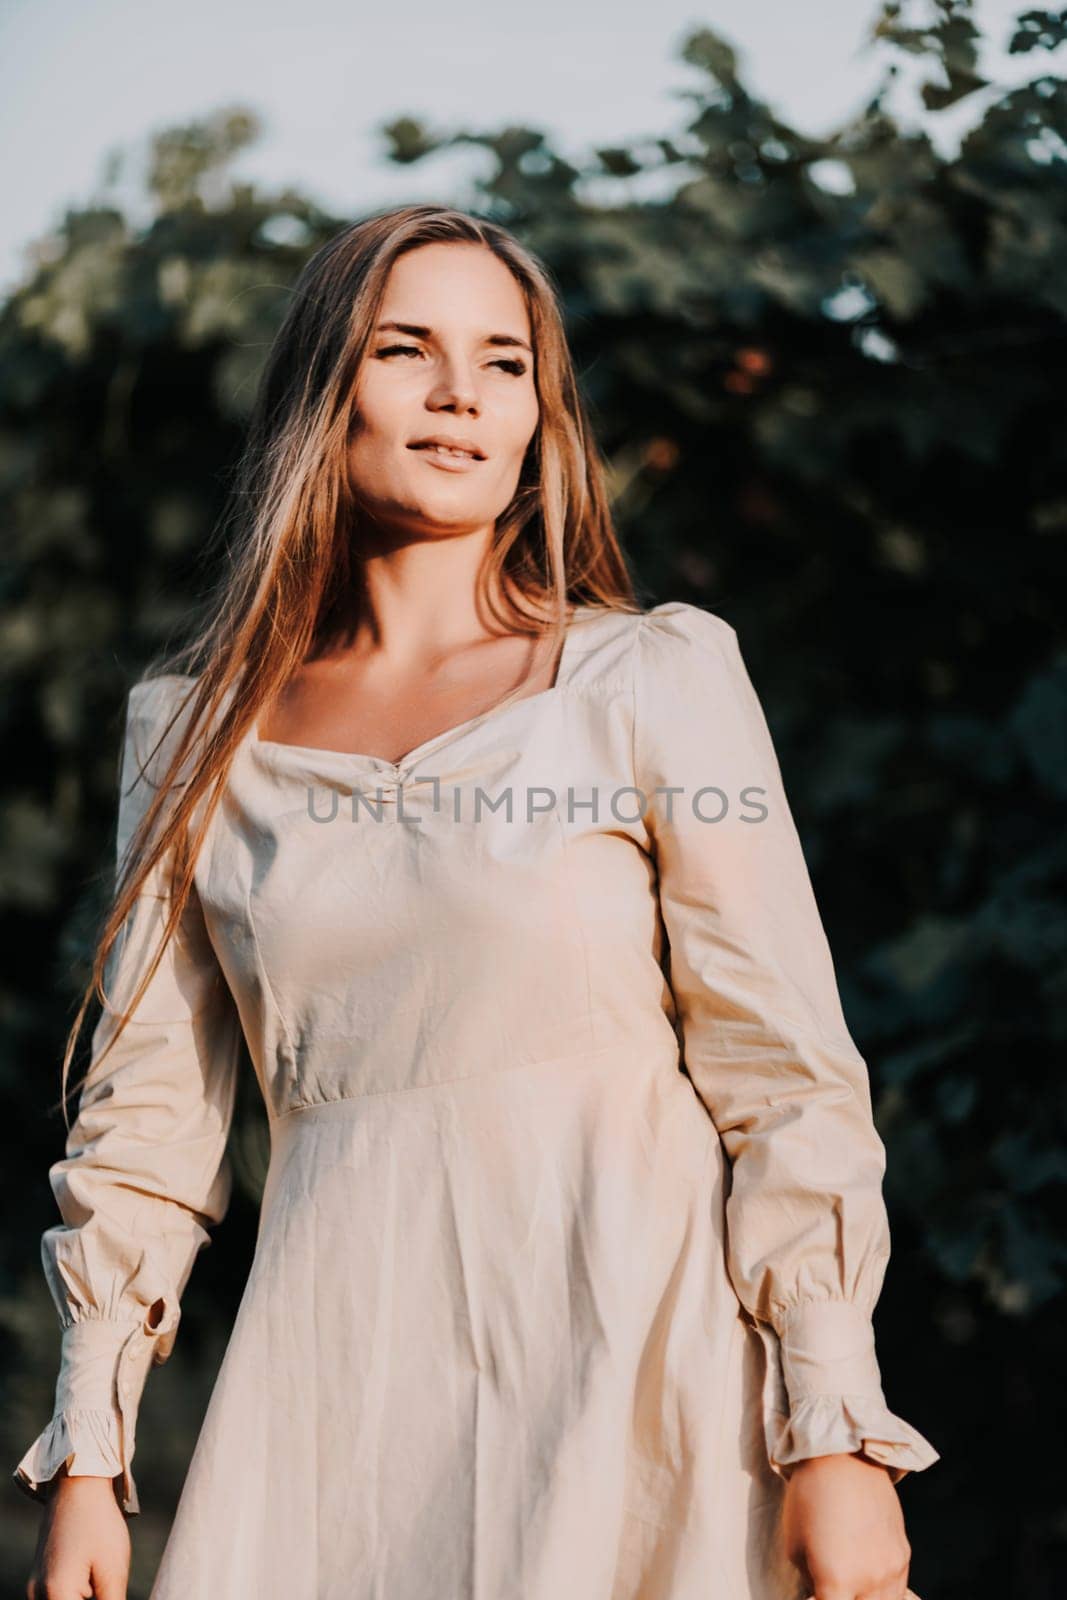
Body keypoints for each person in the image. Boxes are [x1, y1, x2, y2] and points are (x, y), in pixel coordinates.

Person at [16, 204, 939, 1600]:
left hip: (644, 1375)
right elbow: (147, 1125)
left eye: (505, 362)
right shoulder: (191, 734)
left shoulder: (652, 682)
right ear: (326, 394)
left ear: (540, 414)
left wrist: (835, 1431)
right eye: (407, 350)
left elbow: (785, 1076)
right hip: (337, 1402)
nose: (461, 395)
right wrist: (90, 1454)